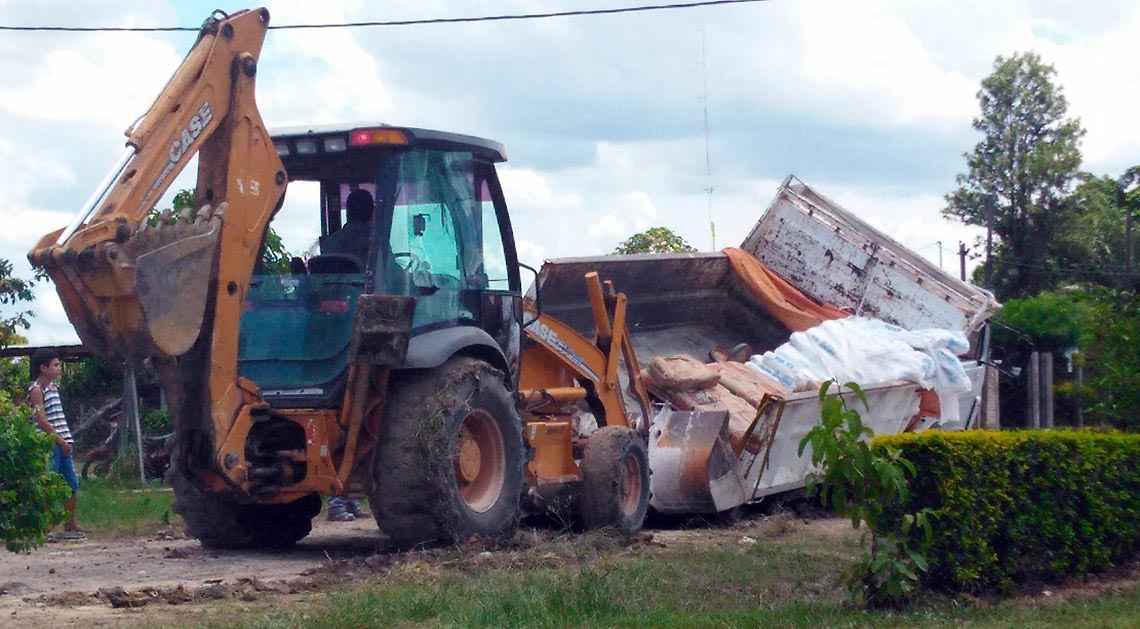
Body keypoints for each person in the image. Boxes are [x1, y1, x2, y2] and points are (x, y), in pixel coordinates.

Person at [28, 349, 86, 540]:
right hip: (50, 443)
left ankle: (70, 522)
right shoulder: (37, 389)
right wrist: (59, 440)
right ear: (43, 368)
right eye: (55, 365)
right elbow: (42, 420)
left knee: (70, 483)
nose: (58, 368)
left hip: (63, 443)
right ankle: (45, 526)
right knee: (49, 484)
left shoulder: (53, 388)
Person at [320, 188, 375, 267]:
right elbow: (392, 273)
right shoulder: (375, 242)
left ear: (348, 212)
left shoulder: (329, 244)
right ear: (371, 212)